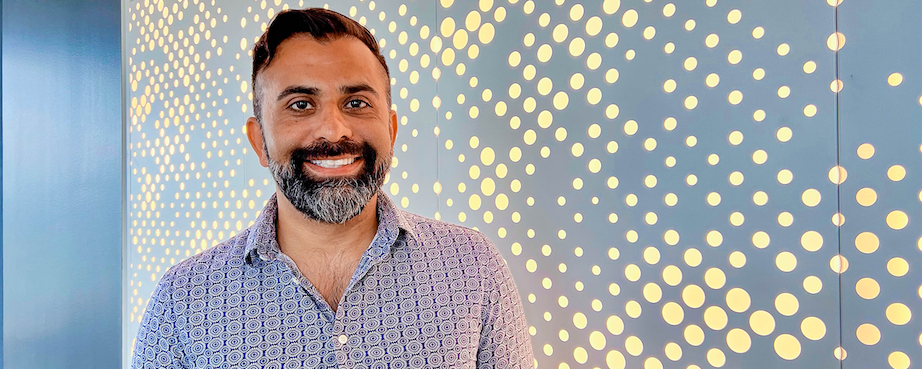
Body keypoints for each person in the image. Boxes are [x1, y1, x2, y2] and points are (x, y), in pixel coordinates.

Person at [131, 7, 535, 368]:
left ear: (391, 130)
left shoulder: (472, 266)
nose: (333, 130)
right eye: (301, 104)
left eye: (356, 103)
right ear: (259, 142)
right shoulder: (182, 302)